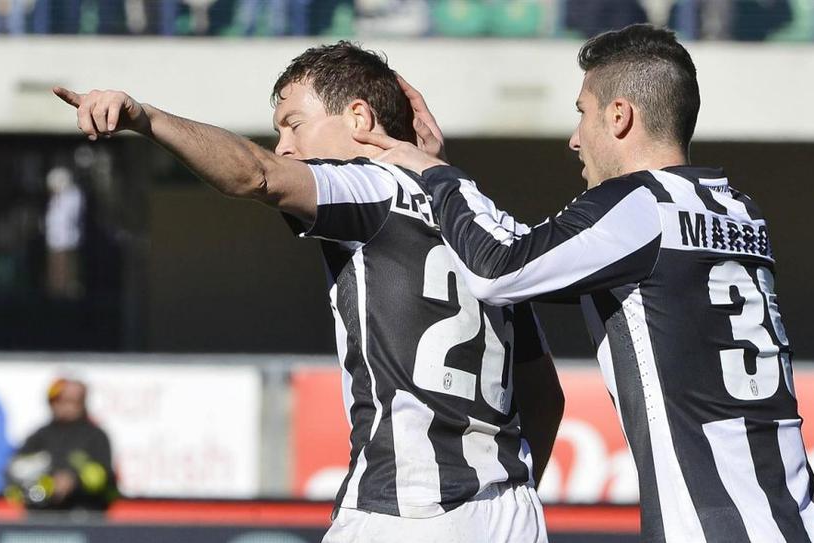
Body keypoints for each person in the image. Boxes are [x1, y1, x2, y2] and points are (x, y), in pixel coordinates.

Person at [52, 41, 562, 542]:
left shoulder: (373, 186)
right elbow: (544, 396)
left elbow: (258, 176)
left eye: (294, 124)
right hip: (512, 514)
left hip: (408, 508)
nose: (284, 147)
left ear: (359, 118)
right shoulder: (482, 219)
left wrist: (146, 119)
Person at [357, 24, 814, 543]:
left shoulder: (640, 206)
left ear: (619, 116)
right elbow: (541, 259)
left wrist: (436, 175)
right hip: (805, 522)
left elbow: (499, 269)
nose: (574, 137)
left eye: (582, 112)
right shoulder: (738, 210)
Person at [6, 378, 117, 511]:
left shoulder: (96, 437)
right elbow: (15, 475)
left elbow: (104, 478)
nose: (64, 405)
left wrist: (74, 481)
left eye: (71, 401)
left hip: (85, 512)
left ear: (82, 402)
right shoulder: (39, 437)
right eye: (58, 400)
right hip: (44, 514)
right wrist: (49, 483)